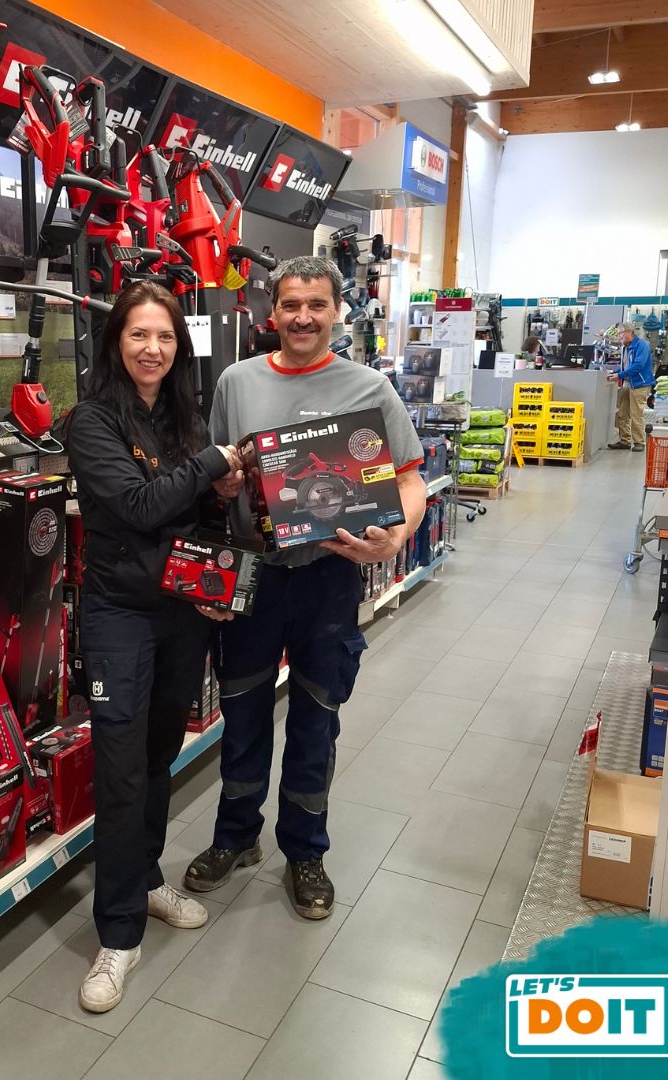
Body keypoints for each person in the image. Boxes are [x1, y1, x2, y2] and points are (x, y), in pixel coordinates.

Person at [183, 255, 427, 919]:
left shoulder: (369, 388)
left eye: (316, 305)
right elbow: (217, 474)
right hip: (255, 575)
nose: (302, 317)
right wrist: (226, 484)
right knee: (242, 712)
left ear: (337, 311)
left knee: (317, 716)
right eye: (291, 304)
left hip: (328, 577)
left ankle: (305, 851)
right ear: (273, 311)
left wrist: (397, 536)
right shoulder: (237, 382)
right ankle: (236, 836)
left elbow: (409, 478)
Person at [66, 280, 242, 1013]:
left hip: (181, 612)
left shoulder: (182, 416)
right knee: (119, 767)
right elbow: (139, 507)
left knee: (158, 753)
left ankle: (145, 879)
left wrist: (221, 498)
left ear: (179, 347)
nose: (153, 348)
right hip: (119, 616)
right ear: (116, 342)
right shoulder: (90, 422)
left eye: (165, 336)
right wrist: (209, 466)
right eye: (139, 334)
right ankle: (118, 934)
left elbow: (191, 510)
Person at [608, 323, 654, 450]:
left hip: (639, 384)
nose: (619, 336)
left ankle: (639, 442)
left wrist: (619, 375)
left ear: (629, 332)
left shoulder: (642, 345)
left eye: (620, 333)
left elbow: (638, 365)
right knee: (622, 413)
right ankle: (625, 440)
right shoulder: (625, 347)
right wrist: (614, 372)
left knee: (636, 414)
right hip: (627, 382)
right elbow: (625, 365)